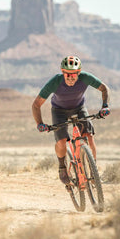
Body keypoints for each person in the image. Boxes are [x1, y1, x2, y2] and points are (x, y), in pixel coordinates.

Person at [31, 55, 110, 184]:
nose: (70, 78)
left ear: (79, 73)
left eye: (74, 74)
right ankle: (62, 167)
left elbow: (104, 88)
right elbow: (36, 104)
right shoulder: (55, 81)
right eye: (67, 74)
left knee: (88, 136)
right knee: (62, 141)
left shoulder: (85, 77)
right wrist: (39, 124)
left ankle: (93, 170)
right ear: (62, 72)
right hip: (59, 111)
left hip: (79, 108)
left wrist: (105, 106)